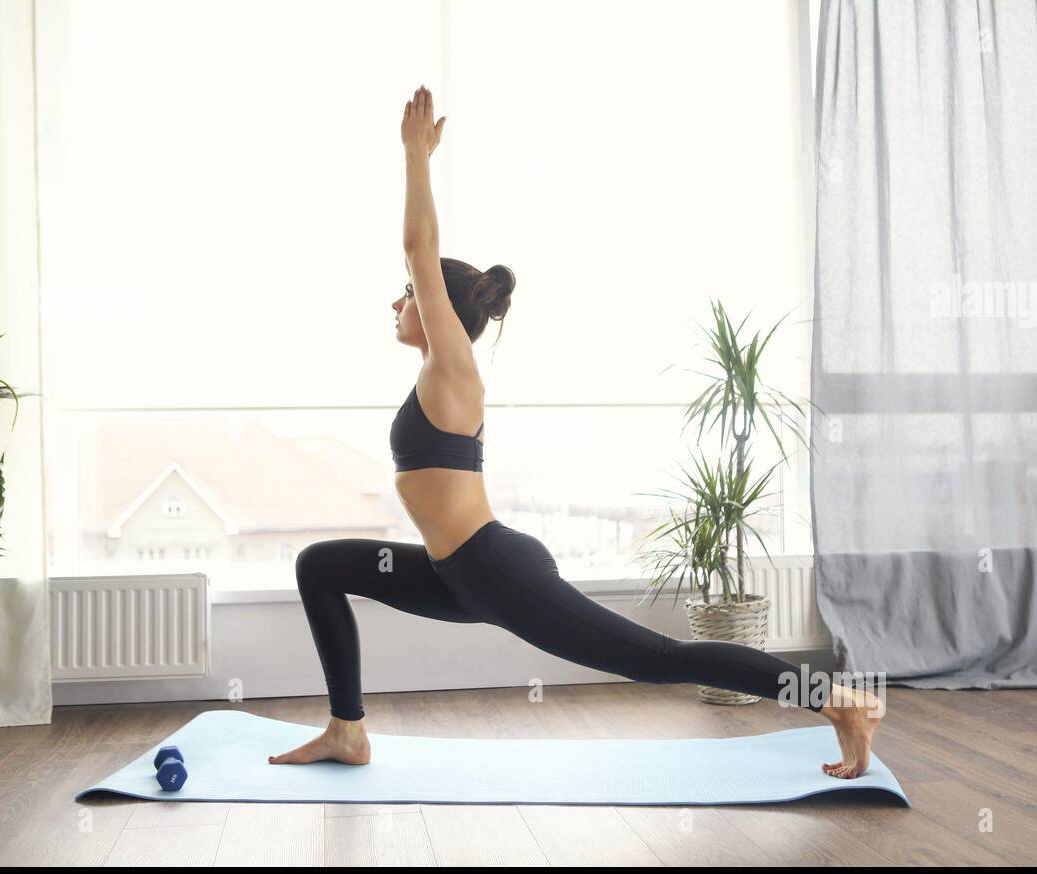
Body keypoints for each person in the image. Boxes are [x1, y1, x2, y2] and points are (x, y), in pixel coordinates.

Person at [270, 85, 885, 779]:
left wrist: (415, 156)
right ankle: (347, 732)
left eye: (408, 293)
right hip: (455, 575)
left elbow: (420, 247)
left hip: (496, 571)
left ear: (437, 306)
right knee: (319, 565)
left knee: (660, 663)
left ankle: (833, 700)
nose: (396, 300)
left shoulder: (455, 368)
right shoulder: (432, 376)